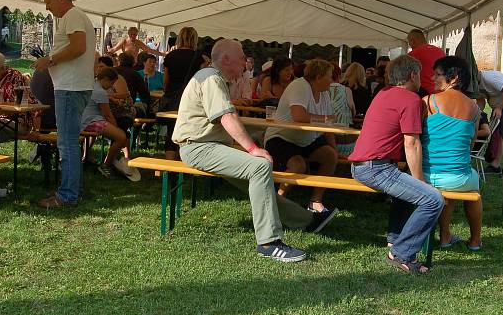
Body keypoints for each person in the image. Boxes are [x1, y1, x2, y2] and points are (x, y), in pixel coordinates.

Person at [173, 39, 337, 262]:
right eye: (241, 58)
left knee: (259, 179)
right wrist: (252, 148)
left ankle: (307, 220)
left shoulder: (213, 77)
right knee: (259, 166)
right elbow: (226, 116)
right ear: (226, 59)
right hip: (199, 148)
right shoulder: (211, 78)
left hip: (207, 146)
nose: (245, 63)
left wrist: (252, 144)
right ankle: (269, 242)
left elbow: (225, 118)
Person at [348, 55, 444, 274]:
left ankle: (395, 239)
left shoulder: (383, 93)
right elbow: (411, 143)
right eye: (420, 74)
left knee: (408, 190)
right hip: (376, 168)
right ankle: (402, 252)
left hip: (362, 165)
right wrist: (421, 181)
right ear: (412, 75)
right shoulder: (410, 99)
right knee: (433, 199)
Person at [33, 0, 96, 208]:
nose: (47, 7)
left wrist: (49, 60)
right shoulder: (76, 16)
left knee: (67, 143)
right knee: (69, 142)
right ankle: (73, 189)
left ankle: (68, 195)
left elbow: (78, 47)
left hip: (70, 88)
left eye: (48, 2)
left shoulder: (72, 15)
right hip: (73, 86)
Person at [422, 56, 482, 251]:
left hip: (427, 176)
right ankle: (475, 240)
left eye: (438, 74)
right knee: (474, 190)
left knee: (447, 191)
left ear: (454, 77)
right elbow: (471, 145)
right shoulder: (474, 108)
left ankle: (445, 235)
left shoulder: (429, 102)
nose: (432, 78)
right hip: (459, 177)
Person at [264, 58, 339, 213]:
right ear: (318, 77)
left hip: (304, 140)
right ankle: (277, 201)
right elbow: (299, 115)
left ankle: (315, 201)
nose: (332, 80)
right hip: (280, 137)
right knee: (298, 165)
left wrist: (334, 149)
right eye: (330, 76)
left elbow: (329, 125)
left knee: (330, 156)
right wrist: (325, 120)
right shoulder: (300, 85)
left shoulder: (324, 93)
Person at [81, 67, 140, 181]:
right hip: (92, 121)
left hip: (86, 119)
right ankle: (106, 165)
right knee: (121, 136)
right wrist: (117, 129)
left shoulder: (93, 85)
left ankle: (107, 162)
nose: (112, 86)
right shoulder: (100, 92)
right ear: (106, 79)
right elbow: (108, 115)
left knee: (120, 135)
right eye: (112, 83)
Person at [161, 26, 203, 161]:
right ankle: (183, 162)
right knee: (188, 132)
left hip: (172, 98)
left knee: (171, 132)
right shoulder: (199, 58)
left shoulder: (170, 56)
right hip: (192, 100)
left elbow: (165, 81)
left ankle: (169, 167)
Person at [407, 28, 447, 97]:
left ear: (412, 41)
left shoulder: (412, 55)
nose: (410, 45)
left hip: (423, 95)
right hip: (441, 94)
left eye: (409, 43)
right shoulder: (441, 52)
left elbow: (408, 77)